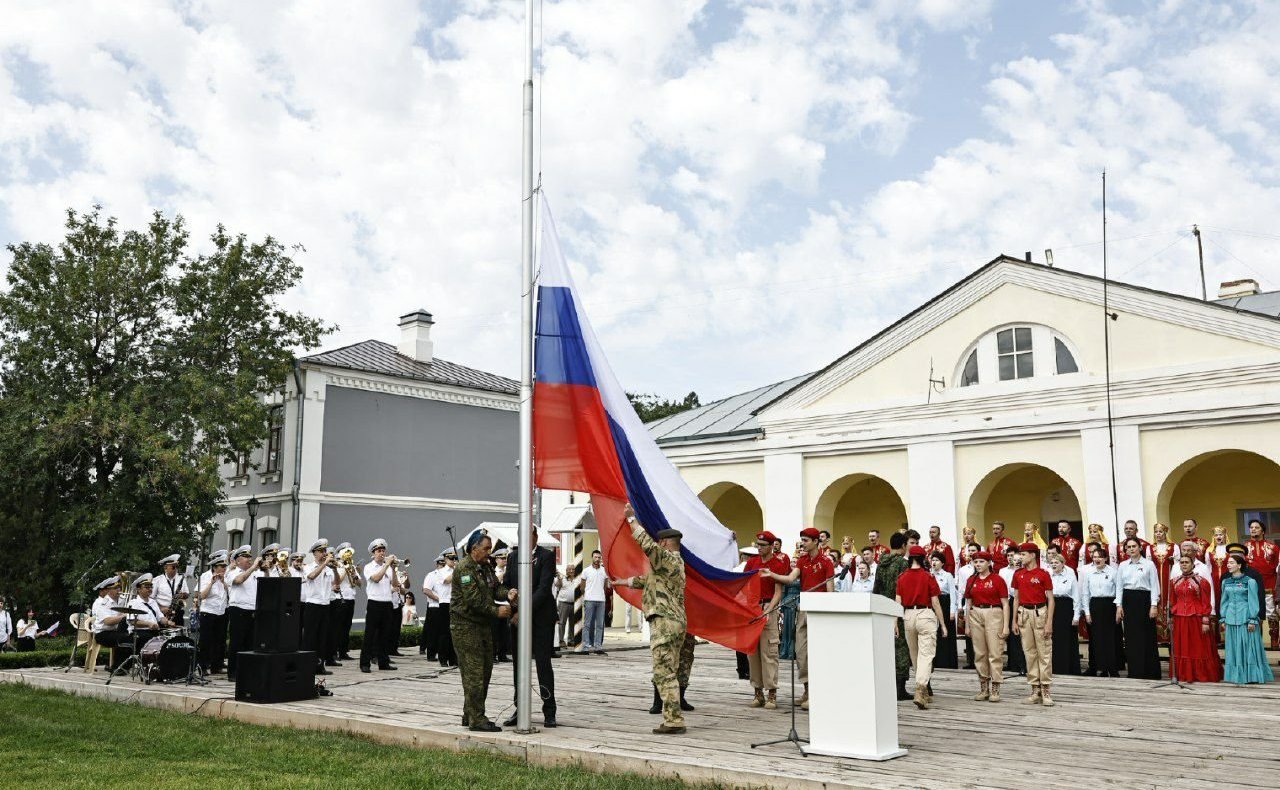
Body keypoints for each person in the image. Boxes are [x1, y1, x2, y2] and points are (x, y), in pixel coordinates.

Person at [614, 503, 688, 735]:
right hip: (675, 621)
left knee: (663, 672)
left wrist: (631, 519)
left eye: (659, 542)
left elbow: (645, 544)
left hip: (665, 622)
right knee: (669, 670)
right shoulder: (673, 566)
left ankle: (674, 720)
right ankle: (672, 715)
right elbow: (647, 580)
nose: (657, 544)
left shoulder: (666, 558)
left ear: (665, 543)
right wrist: (622, 582)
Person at [762, 527, 834, 710]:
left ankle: (819, 692)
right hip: (804, 608)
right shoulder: (802, 561)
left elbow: (830, 590)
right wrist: (772, 575)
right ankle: (807, 690)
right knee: (801, 652)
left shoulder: (826, 561)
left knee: (819, 653)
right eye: (802, 539)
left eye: (806, 540)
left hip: (821, 611)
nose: (803, 543)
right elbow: (789, 579)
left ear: (816, 541)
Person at [451, 531, 514, 732]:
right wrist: (497, 611)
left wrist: (508, 593)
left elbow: (495, 589)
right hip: (466, 627)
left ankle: (469, 713)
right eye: (486, 549)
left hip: (482, 626)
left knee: (485, 670)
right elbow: (474, 601)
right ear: (473, 548)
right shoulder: (464, 569)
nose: (489, 553)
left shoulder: (485, 567)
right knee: (474, 673)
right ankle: (477, 718)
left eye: (490, 549)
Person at [502, 523, 559, 729]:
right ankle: (520, 708)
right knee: (519, 664)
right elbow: (507, 583)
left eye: (528, 534)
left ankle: (549, 710)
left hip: (541, 617)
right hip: (518, 616)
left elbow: (543, 590)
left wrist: (522, 613)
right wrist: (510, 594)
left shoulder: (546, 556)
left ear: (535, 536)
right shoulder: (513, 557)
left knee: (543, 664)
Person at [897, 546, 948, 709]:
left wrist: (894, 623)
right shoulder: (928, 577)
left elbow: (897, 603)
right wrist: (943, 624)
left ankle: (923, 690)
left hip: (908, 615)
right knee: (926, 655)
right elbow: (935, 602)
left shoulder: (902, 577)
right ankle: (920, 688)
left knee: (915, 655)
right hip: (925, 614)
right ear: (923, 558)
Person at [743, 530, 787, 710]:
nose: (759, 548)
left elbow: (779, 591)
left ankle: (772, 692)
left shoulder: (778, 563)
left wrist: (770, 609)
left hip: (769, 606)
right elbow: (745, 585)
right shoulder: (752, 563)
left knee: (769, 651)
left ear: (771, 546)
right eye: (758, 545)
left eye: (762, 546)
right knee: (752, 651)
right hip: (752, 607)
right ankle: (757, 691)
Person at [1010, 542, 1055, 706]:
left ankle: (1046, 689)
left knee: (1044, 652)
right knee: (1029, 652)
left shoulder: (1043, 574)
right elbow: (1015, 598)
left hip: (1040, 612)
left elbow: (1050, 599)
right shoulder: (1018, 574)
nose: (1020, 557)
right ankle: (1035, 688)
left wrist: (1049, 622)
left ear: (1033, 555)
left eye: (1023, 554)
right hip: (1024, 613)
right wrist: (1014, 620)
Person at [963, 550, 1009, 702]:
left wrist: (1006, 626)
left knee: (995, 651)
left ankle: (996, 686)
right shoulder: (971, 580)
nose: (978, 564)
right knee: (980, 652)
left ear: (989, 563)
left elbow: (1005, 603)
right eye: (975, 562)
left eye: (981, 561)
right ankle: (984, 687)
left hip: (993, 612)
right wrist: (967, 625)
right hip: (976, 612)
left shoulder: (997, 579)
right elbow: (968, 603)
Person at [1220, 555, 1274, 685]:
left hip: (1246, 617)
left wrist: (1252, 619)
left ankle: (1251, 676)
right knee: (1233, 647)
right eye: (1228, 563)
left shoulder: (1250, 581)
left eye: (1231, 563)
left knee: (1248, 646)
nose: (1228, 565)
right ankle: (1235, 676)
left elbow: (1253, 601)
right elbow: (1224, 601)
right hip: (1231, 618)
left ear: (1239, 565)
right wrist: (1223, 618)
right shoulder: (1225, 581)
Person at [872, 532, 912, 700]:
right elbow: (905, 588)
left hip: (883, 609)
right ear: (903, 545)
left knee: (885, 647)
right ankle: (900, 688)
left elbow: (876, 588)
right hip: (899, 610)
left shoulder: (881, 564)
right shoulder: (903, 564)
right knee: (901, 649)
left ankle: (886, 684)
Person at [1168, 555, 1222, 683]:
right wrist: (1170, 619)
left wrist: (1205, 620)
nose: (1184, 564)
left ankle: (1200, 674)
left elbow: (1206, 602)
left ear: (1193, 565)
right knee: (1182, 647)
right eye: (1182, 563)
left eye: (1187, 562)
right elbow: (1172, 602)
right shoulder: (1174, 581)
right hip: (1180, 619)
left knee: (1198, 647)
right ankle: (1183, 674)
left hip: (1196, 618)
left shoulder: (1201, 581)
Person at [1117, 536, 1161, 679]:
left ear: (1140, 548)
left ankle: (1150, 671)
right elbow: (1119, 587)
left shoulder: (1149, 564)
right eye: (1128, 547)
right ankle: (1135, 671)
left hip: (1144, 601)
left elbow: (1155, 585)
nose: (1131, 549)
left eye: (1134, 546)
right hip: (1129, 601)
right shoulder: (1122, 565)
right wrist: (1119, 605)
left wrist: (1154, 605)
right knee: (1131, 637)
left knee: (1147, 636)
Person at [1079, 547, 1120, 677]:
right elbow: (1085, 593)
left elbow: (1119, 590)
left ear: (1106, 559)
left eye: (1100, 557)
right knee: (1096, 639)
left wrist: (1119, 607)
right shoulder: (1089, 573)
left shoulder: (1113, 572)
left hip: (1109, 605)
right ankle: (1100, 668)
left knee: (1110, 638)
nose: (1097, 559)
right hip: (1095, 605)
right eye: (1094, 557)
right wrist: (1087, 612)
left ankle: (1112, 669)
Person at [361, 539, 400, 673]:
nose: (382, 553)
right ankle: (365, 663)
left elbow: (395, 585)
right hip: (374, 603)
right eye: (379, 551)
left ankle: (384, 662)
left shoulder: (388, 568)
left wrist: (394, 569)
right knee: (370, 635)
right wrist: (387, 565)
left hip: (387, 603)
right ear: (373, 553)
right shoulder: (369, 567)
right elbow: (376, 579)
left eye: (383, 551)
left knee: (385, 635)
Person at [302, 539, 340, 676]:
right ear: (314, 553)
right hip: (313, 605)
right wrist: (324, 564)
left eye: (325, 551)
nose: (324, 554)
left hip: (325, 605)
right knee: (310, 638)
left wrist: (335, 570)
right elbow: (311, 577)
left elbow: (336, 585)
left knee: (322, 638)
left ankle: (320, 666)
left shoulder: (328, 569)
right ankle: (307, 666)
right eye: (321, 551)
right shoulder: (308, 567)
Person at [225, 545, 263, 680]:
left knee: (250, 643)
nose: (249, 559)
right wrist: (253, 568)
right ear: (238, 561)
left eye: (249, 557)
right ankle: (233, 672)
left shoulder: (256, 573)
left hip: (252, 610)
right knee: (237, 642)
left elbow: (267, 582)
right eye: (245, 557)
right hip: (238, 610)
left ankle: (247, 671)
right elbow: (239, 580)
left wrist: (266, 568)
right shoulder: (232, 572)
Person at [1243, 518, 1280, 651]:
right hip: (1251, 586)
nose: (1253, 529)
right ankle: (1256, 641)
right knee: (1254, 614)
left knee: (1271, 614)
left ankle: (1274, 640)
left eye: (1256, 527)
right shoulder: (1244, 548)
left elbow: (1277, 567)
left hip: (1269, 585)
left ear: (1263, 530)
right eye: (1251, 527)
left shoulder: (1273, 547)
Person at [1046, 552, 1080, 676]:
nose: (1054, 565)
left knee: (1067, 639)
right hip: (1052, 606)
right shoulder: (1048, 576)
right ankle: (1056, 668)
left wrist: (1076, 616)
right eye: (1052, 563)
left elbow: (1076, 596)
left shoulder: (1070, 576)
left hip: (1066, 608)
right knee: (1054, 639)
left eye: (1056, 563)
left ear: (1063, 564)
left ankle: (1069, 669)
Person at [197, 551, 230, 674]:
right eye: (221, 567)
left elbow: (231, 593)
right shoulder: (205, 576)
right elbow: (202, 596)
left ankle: (217, 666)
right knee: (206, 641)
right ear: (215, 567)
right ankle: (203, 667)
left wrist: (223, 582)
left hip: (221, 611)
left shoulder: (226, 576)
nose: (224, 569)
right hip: (208, 612)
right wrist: (212, 582)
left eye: (225, 566)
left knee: (220, 640)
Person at [90, 576, 133, 671]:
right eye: (116, 588)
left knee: (133, 637)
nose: (119, 590)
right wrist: (124, 616)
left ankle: (124, 666)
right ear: (109, 590)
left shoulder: (122, 600)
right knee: (123, 638)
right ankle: (117, 667)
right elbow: (108, 621)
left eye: (119, 588)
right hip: (103, 633)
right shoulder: (103, 603)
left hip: (117, 631)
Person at [330, 542, 361, 663]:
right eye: (345, 551)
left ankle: (343, 651)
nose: (348, 554)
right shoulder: (337, 565)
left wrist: (354, 573)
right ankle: (334, 651)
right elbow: (337, 581)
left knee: (347, 627)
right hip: (339, 599)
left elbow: (359, 584)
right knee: (337, 627)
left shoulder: (351, 566)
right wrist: (344, 568)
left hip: (350, 599)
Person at [998, 545, 1026, 675]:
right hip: (1009, 601)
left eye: (1017, 558)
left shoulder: (1025, 572)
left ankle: (1024, 664)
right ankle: (1012, 663)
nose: (1015, 561)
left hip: (1024, 601)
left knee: (1023, 634)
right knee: (1011, 634)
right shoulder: (1003, 571)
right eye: (1012, 558)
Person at [929, 551, 958, 669]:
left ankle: (947, 661)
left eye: (936, 560)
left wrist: (952, 610)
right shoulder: (929, 575)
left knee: (945, 632)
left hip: (944, 603)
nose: (934, 562)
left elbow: (952, 594)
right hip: (932, 603)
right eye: (932, 560)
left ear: (942, 563)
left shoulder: (947, 575)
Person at [1150, 523, 1179, 643]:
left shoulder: (1173, 546)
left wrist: (1174, 560)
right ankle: (1158, 636)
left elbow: (1178, 565)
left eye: (1160, 532)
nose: (1158, 534)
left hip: (1169, 578)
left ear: (1165, 533)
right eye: (1156, 532)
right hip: (1156, 578)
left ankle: (1172, 635)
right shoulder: (1150, 548)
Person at [579, 549, 610, 655]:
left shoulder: (604, 571)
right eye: (595, 557)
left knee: (600, 625)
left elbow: (605, 586)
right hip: (589, 600)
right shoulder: (586, 571)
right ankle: (586, 647)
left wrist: (601, 594)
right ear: (592, 558)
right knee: (587, 624)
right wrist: (587, 596)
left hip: (601, 600)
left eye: (599, 557)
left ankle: (598, 647)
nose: (597, 559)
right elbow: (582, 587)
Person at [420, 556, 446, 658]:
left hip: (445, 606)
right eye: (441, 565)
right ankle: (431, 654)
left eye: (444, 565)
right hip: (435, 606)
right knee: (433, 632)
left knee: (443, 632)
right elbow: (426, 590)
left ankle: (442, 653)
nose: (442, 566)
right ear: (437, 565)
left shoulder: (448, 575)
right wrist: (439, 599)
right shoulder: (432, 575)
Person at [153, 554, 189, 626]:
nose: (176, 569)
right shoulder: (157, 580)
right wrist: (161, 608)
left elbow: (187, 594)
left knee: (179, 636)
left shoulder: (181, 579)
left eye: (177, 567)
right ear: (165, 568)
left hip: (177, 613)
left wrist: (181, 595)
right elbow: (151, 599)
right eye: (173, 567)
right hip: (162, 613)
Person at [553, 564, 580, 649]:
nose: (571, 571)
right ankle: (561, 640)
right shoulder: (562, 579)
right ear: (566, 570)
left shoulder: (577, 579)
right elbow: (557, 585)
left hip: (574, 604)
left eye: (573, 569)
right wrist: (560, 578)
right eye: (569, 569)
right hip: (563, 603)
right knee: (562, 622)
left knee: (572, 623)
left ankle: (571, 640)